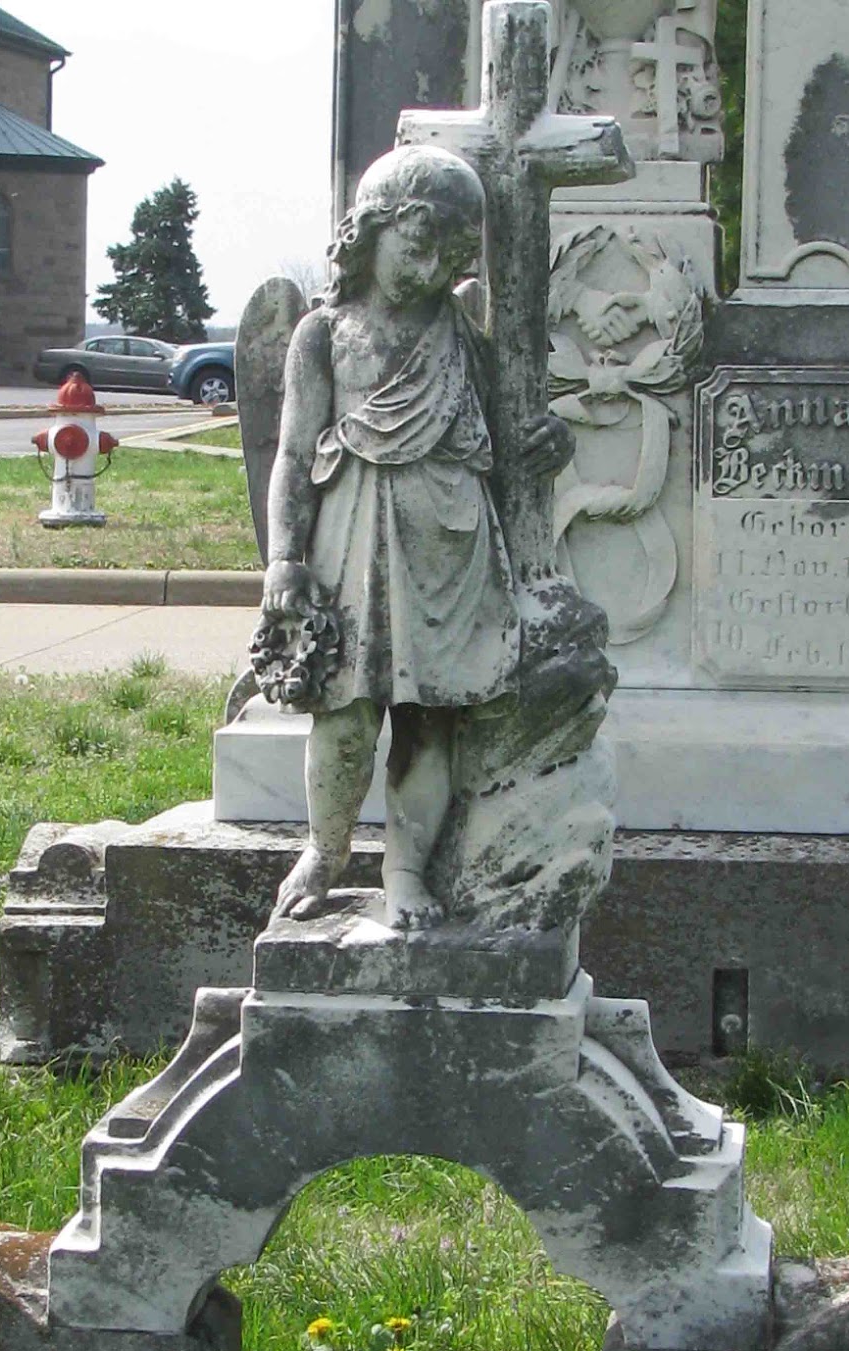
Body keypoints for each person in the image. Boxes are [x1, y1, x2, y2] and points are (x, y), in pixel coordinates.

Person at [262, 144, 572, 929]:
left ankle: (406, 871)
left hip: (450, 543)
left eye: (452, 255)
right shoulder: (325, 334)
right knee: (344, 716)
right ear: (371, 231)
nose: (433, 269)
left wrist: (551, 442)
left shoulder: (464, 330)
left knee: (431, 719)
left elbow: (510, 429)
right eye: (418, 245)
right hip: (352, 540)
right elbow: (292, 455)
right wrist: (283, 559)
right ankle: (325, 850)